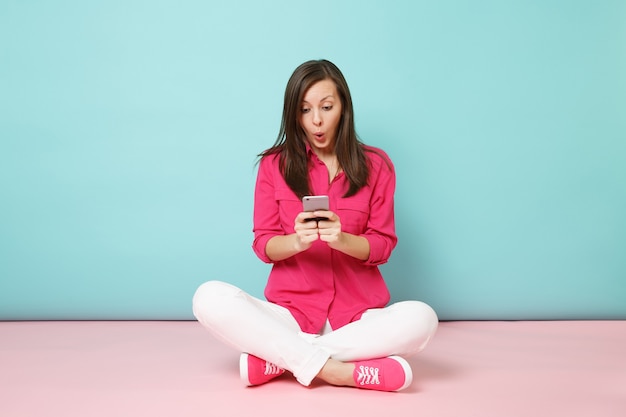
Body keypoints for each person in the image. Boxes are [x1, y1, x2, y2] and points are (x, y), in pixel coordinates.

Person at [192, 59, 438, 392]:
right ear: (294, 114)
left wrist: (342, 239)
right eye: (305, 110)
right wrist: (296, 241)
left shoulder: (377, 165)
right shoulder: (273, 165)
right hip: (291, 314)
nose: (317, 120)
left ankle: (281, 359)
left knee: (422, 318)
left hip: (357, 319)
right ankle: (338, 371)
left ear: (343, 108)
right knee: (208, 297)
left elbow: (382, 246)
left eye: (326, 107)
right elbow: (263, 244)